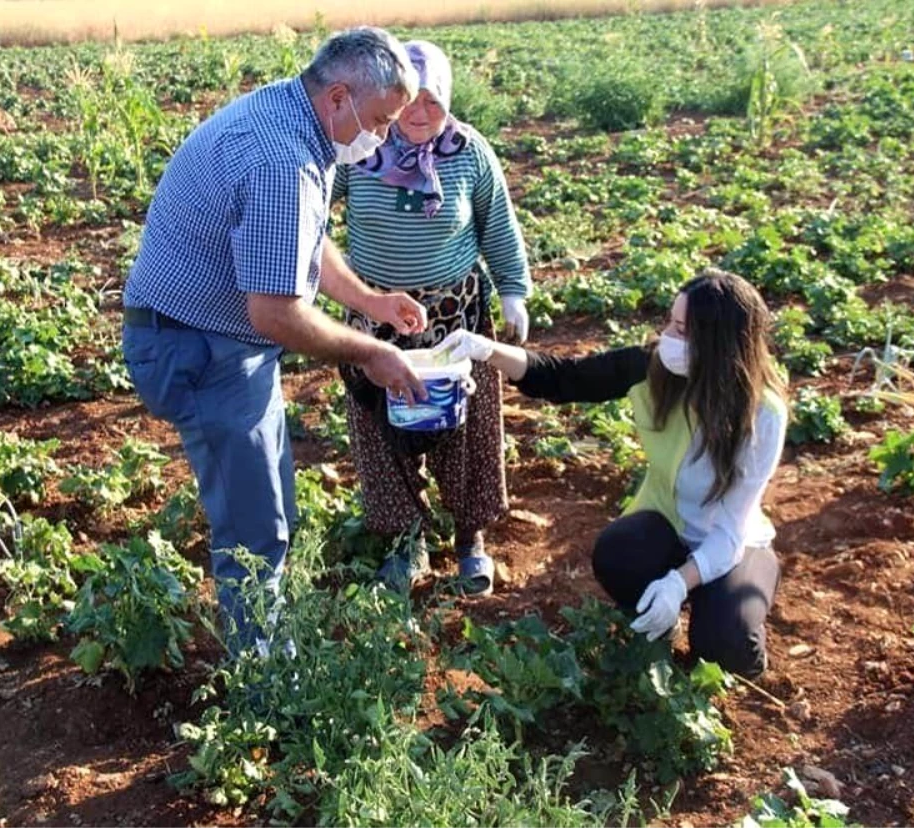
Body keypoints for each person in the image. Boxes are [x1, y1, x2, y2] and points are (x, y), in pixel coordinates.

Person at [121, 27, 430, 651]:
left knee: (272, 510)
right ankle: (265, 688)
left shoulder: (291, 114)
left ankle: (271, 639)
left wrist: (367, 301)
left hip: (222, 340)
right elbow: (276, 314)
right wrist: (371, 350)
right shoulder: (280, 158)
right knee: (253, 535)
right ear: (339, 96)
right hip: (202, 351)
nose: (383, 135)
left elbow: (300, 238)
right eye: (379, 119)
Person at [437, 269, 786, 676]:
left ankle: (727, 612)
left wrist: (678, 583)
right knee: (618, 554)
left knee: (725, 646)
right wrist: (485, 350)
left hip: (732, 546)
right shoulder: (656, 368)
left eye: (681, 330)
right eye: (670, 324)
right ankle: (666, 615)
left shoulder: (762, 414)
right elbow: (566, 377)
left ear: (719, 345)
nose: (667, 338)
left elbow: (729, 533)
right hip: (669, 529)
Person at [331, 40, 532, 597]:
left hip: (454, 316)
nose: (419, 115)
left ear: (447, 100)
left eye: (433, 103)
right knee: (383, 424)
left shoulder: (470, 151)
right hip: (376, 316)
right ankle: (406, 541)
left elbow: (497, 224)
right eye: (409, 102)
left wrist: (514, 291)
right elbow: (316, 205)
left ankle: (470, 541)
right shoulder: (363, 148)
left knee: (462, 424)